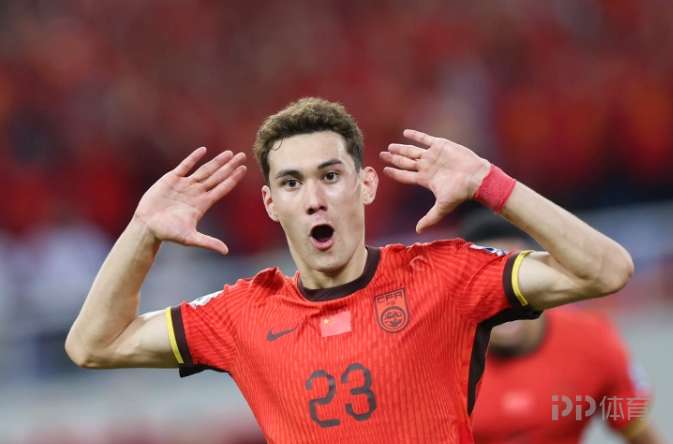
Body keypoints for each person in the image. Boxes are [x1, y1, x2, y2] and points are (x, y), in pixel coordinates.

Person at [65, 98, 634, 443]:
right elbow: (92, 344)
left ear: (366, 186)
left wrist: (491, 183)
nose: (314, 198)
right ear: (270, 204)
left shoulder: (445, 277)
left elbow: (606, 270)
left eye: (331, 176)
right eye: (292, 183)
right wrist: (143, 230)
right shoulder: (240, 314)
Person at [463, 212, 663, 444]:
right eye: (486, 282)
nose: (503, 295)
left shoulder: (592, 341)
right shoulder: (439, 356)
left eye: (514, 278)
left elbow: (636, 428)